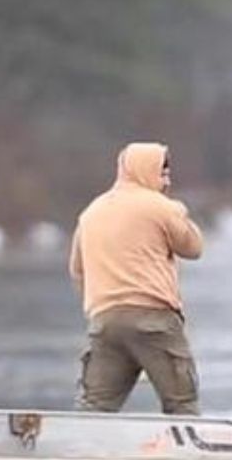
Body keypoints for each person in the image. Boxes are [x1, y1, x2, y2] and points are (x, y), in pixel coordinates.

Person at [69, 141, 204, 414]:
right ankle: (190, 454)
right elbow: (193, 248)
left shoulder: (91, 212)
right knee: (181, 403)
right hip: (153, 320)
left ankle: (80, 452)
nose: (167, 179)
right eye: (162, 171)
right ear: (147, 170)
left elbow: (77, 270)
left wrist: (97, 309)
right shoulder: (161, 207)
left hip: (104, 322)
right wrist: (178, 211)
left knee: (94, 407)